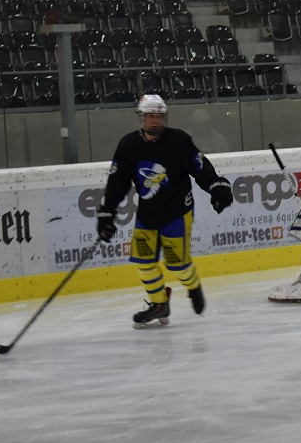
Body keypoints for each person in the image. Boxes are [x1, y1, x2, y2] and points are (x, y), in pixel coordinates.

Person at [95, 95, 234, 327]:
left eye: (159, 116)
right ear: (141, 117)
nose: (155, 121)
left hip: (177, 213)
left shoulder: (178, 140)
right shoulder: (128, 146)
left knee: (177, 264)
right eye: (150, 116)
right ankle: (159, 304)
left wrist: (216, 187)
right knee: (144, 262)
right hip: (147, 215)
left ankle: (193, 286)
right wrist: (107, 212)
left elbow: (200, 167)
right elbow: (117, 182)